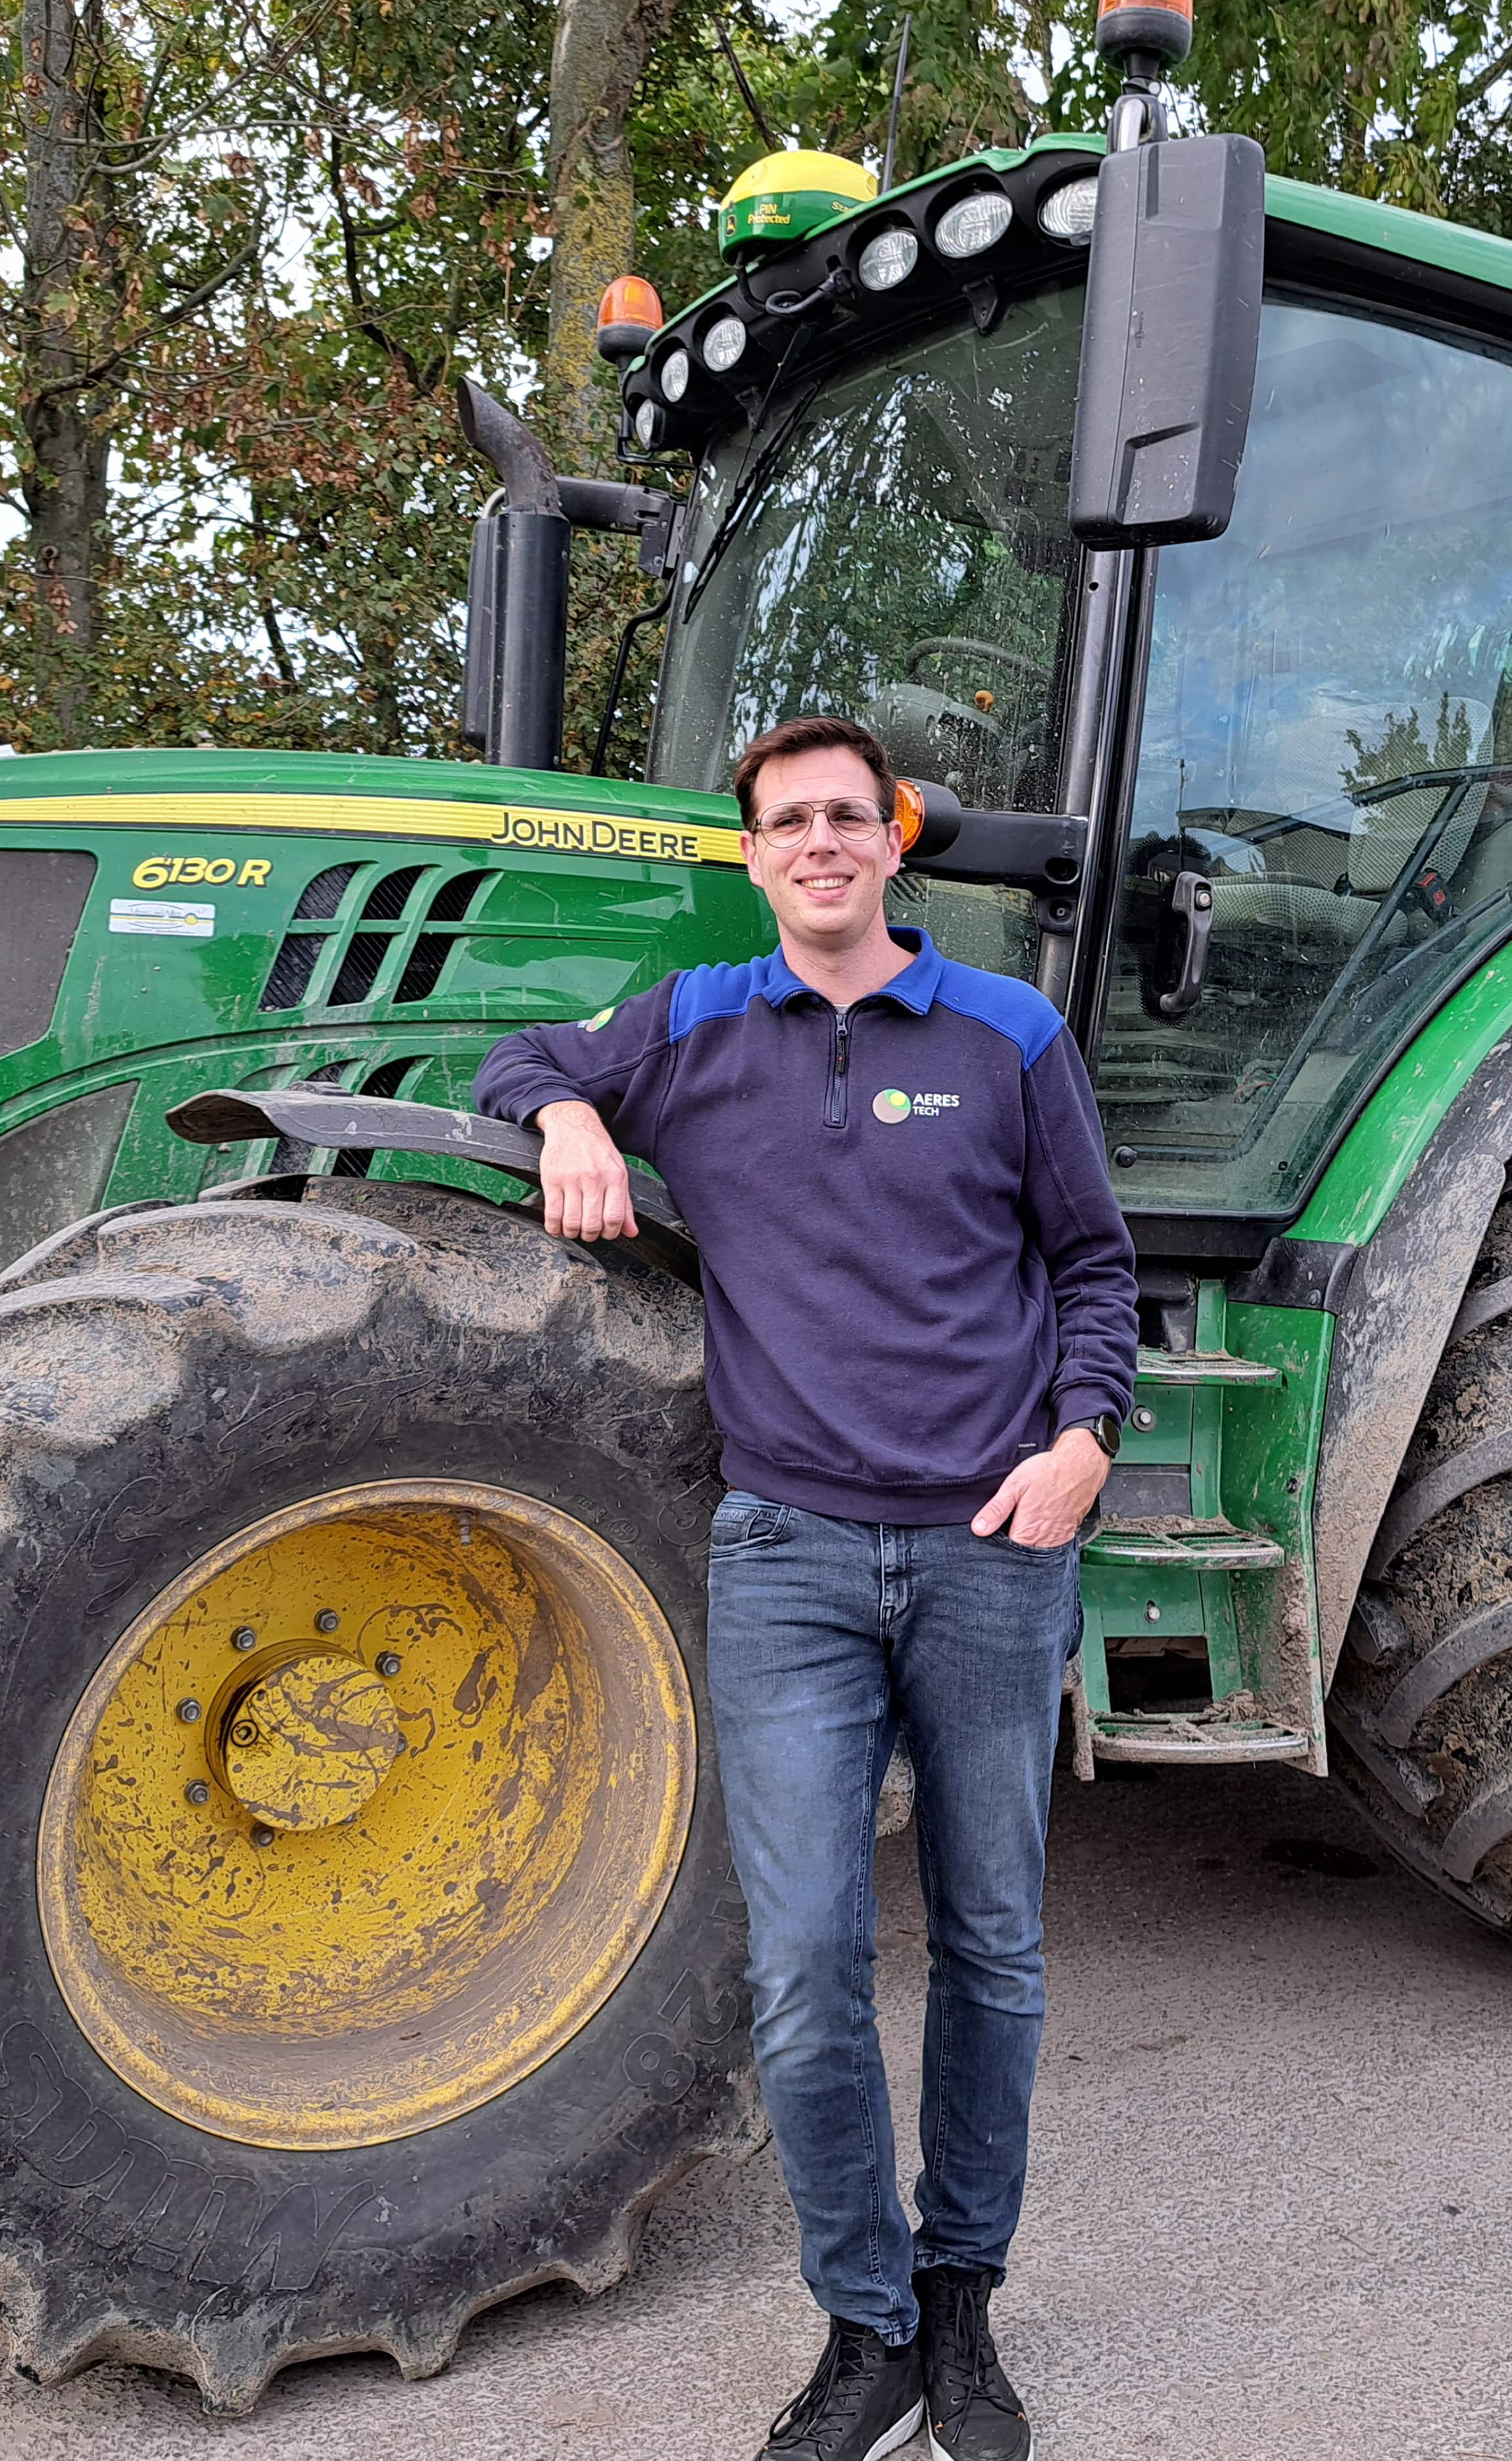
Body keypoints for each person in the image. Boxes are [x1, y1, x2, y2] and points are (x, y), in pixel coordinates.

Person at [474, 713, 1137, 2461]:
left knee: (991, 1947)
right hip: (789, 1561)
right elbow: (514, 1055)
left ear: (893, 841)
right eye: (790, 822)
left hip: (994, 1549)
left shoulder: (1008, 1033)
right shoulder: (699, 1024)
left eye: (851, 816)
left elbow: (1092, 1262)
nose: (823, 843)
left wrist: (1084, 1442)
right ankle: (870, 2325)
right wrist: (568, 1114)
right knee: (804, 1964)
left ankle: (964, 2304)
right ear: (754, 854)